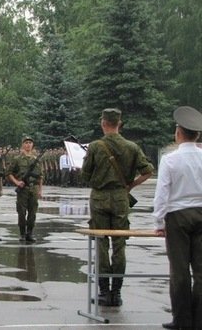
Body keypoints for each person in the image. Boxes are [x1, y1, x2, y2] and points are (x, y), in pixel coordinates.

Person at [81, 108, 154, 307]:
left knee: (101, 243)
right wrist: (130, 185)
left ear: (103, 123)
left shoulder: (96, 146)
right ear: (119, 123)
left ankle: (104, 291)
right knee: (120, 244)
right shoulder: (131, 147)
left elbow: (85, 176)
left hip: (100, 198)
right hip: (121, 198)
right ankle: (117, 292)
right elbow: (148, 170)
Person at [152, 106, 202, 330]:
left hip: (178, 217)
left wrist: (159, 222)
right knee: (201, 272)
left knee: (179, 271)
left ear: (178, 133)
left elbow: (162, 193)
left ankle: (182, 320)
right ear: (197, 134)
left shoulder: (170, 160)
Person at [7, 135, 43, 243]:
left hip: (34, 188)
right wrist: (17, 182)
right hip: (23, 189)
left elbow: (40, 176)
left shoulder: (36, 159)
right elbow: (9, 173)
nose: (28, 145)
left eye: (30, 143)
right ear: (23, 145)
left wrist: (40, 190)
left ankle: (30, 233)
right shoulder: (17, 159)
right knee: (21, 213)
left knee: (33, 213)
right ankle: (22, 233)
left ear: (33, 145)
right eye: (26, 143)